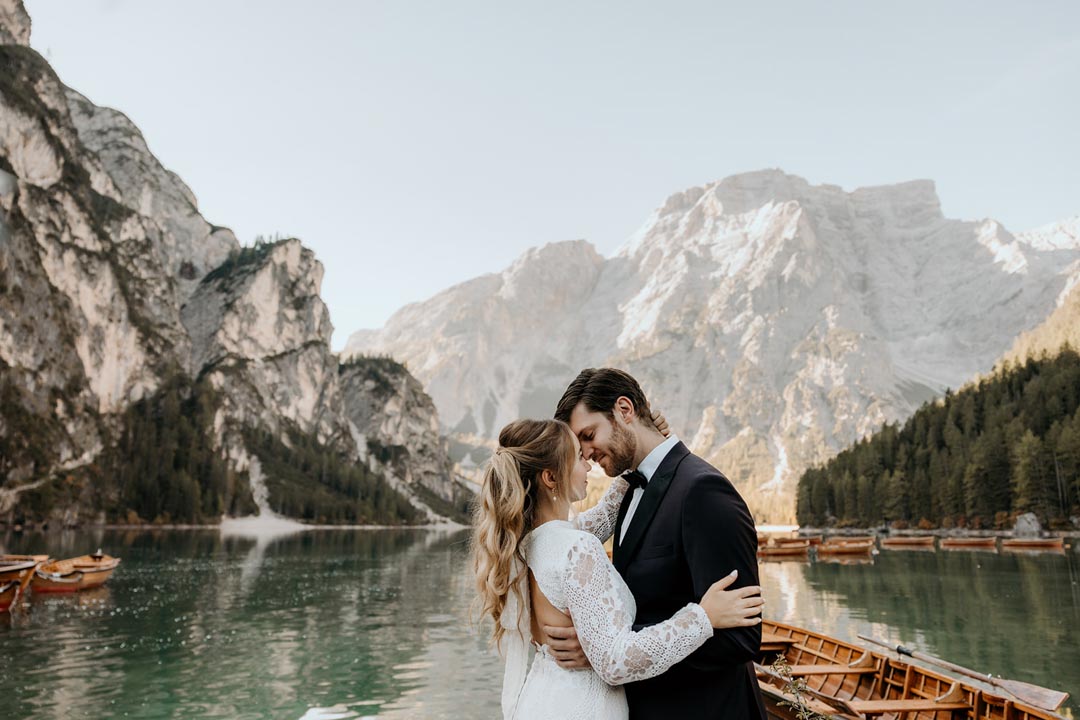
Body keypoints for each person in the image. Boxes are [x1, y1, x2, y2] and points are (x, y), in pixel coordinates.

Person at [472, 418, 764, 720]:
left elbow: (603, 515)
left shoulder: (525, 544)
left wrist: (642, 451)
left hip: (541, 702)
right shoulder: (576, 547)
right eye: (578, 457)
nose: (589, 465)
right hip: (583, 709)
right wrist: (703, 617)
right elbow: (613, 661)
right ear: (550, 477)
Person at [546, 368, 768, 719]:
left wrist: (606, 650)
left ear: (624, 409)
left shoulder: (703, 492)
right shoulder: (628, 490)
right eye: (579, 446)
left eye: (589, 436)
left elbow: (740, 638)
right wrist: (606, 646)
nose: (586, 454)